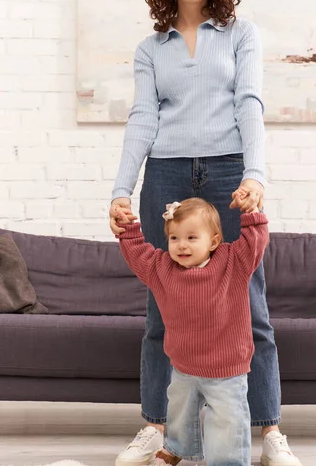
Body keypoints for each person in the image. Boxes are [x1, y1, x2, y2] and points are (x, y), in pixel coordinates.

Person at [109, 0, 302, 466]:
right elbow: (143, 117)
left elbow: (250, 103)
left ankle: (268, 431)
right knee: (159, 306)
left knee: (251, 306)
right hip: (166, 174)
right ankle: (157, 428)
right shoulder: (151, 48)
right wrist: (122, 189)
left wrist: (256, 174)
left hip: (228, 173)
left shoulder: (241, 34)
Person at [115, 196, 269, 465]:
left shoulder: (234, 262)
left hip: (227, 369)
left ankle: (227, 462)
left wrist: (252, 214)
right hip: (183, 364)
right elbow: (138, 254)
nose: (181, 245)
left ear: (213, 241)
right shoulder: (161, 268)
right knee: (179, 411)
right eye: (174, 238)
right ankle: (177, 448)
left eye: (191, 237)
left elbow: (255, 242)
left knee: (227, 420)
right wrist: (128, 229)